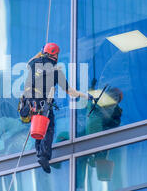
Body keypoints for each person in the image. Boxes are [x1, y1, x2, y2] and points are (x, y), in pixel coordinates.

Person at [19, 42, 95, 173]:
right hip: (43, 102)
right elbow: (70, 91)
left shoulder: (34, 63)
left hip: (29, 101)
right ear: (55, 55)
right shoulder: (56, 71)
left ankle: (39, 151)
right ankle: (43, 155)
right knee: (48, 128)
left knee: (38, 126)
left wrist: (41, 52)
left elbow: (28, 63)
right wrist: (86, 96)